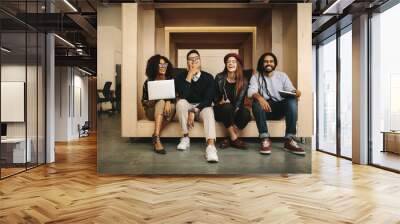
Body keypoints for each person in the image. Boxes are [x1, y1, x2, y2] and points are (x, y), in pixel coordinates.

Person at [247, 52, 305, 155]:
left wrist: (296, 93)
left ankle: (289, 140)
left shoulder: (282, 76)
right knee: (256, 102)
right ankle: (265, 139)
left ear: (275, 63)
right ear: (262, 64)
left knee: (291, 100)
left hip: (279, 108)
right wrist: (260, 98)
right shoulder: (256, 77)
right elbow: (250, 92)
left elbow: (290, 90)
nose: (268, 63)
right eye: (265, 61)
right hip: (264, 110)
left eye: (271, 61)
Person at [175, 50, 218, 163]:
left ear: (200, 61)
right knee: (180, 103)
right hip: (187, 105)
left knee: (209, 110)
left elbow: (209, 100)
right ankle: (185, 137)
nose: (194, 61)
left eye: (196, 59)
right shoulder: (180, 77)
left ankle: (211, 147)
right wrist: (189, 75)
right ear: (187, 62)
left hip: (202, 107)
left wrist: (194, 111)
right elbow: (183, 96)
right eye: (191, 59)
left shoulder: (208, 77)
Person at [213, 53, 251, 149]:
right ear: (226, 64)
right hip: (221, 109)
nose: (230, 64)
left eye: (233, 62)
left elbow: (239, 102)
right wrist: (220, 101)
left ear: (238, 64)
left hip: (235, 109)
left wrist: (236, 110)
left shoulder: (244, 81)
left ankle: (229, 139)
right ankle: (234, 139)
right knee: (227, 107)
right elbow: (214, 98)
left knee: (246, 113)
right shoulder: (219, 77)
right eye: (228, 62)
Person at [141, 54, 175, 154]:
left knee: (172, 106)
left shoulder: (171, 80)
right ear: (154, 66)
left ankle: (155, 136)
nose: (163, 67)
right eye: (160, 65)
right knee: (160, 102)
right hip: (151, 111)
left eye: (164, 64)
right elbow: (143, 101)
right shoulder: (148, 82)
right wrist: (150, 102)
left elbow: (175, 98)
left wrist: (169, 101)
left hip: (167, 111)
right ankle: (157, 139)